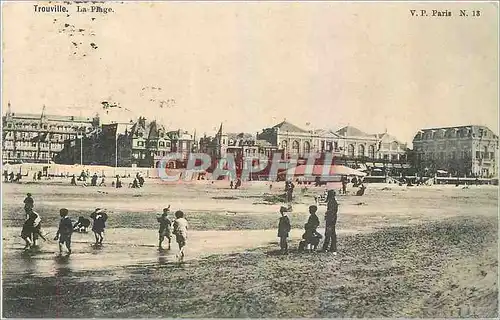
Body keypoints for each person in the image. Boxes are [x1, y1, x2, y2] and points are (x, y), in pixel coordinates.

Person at [322, 190, 338, 255]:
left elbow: (330, 211)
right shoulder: (334, 202)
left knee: (328, 234)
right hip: (333, 219)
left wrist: (327, 215)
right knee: (332, 234)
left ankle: (325, 248)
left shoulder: (331, 202)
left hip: (330, 219)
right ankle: (333, 247)